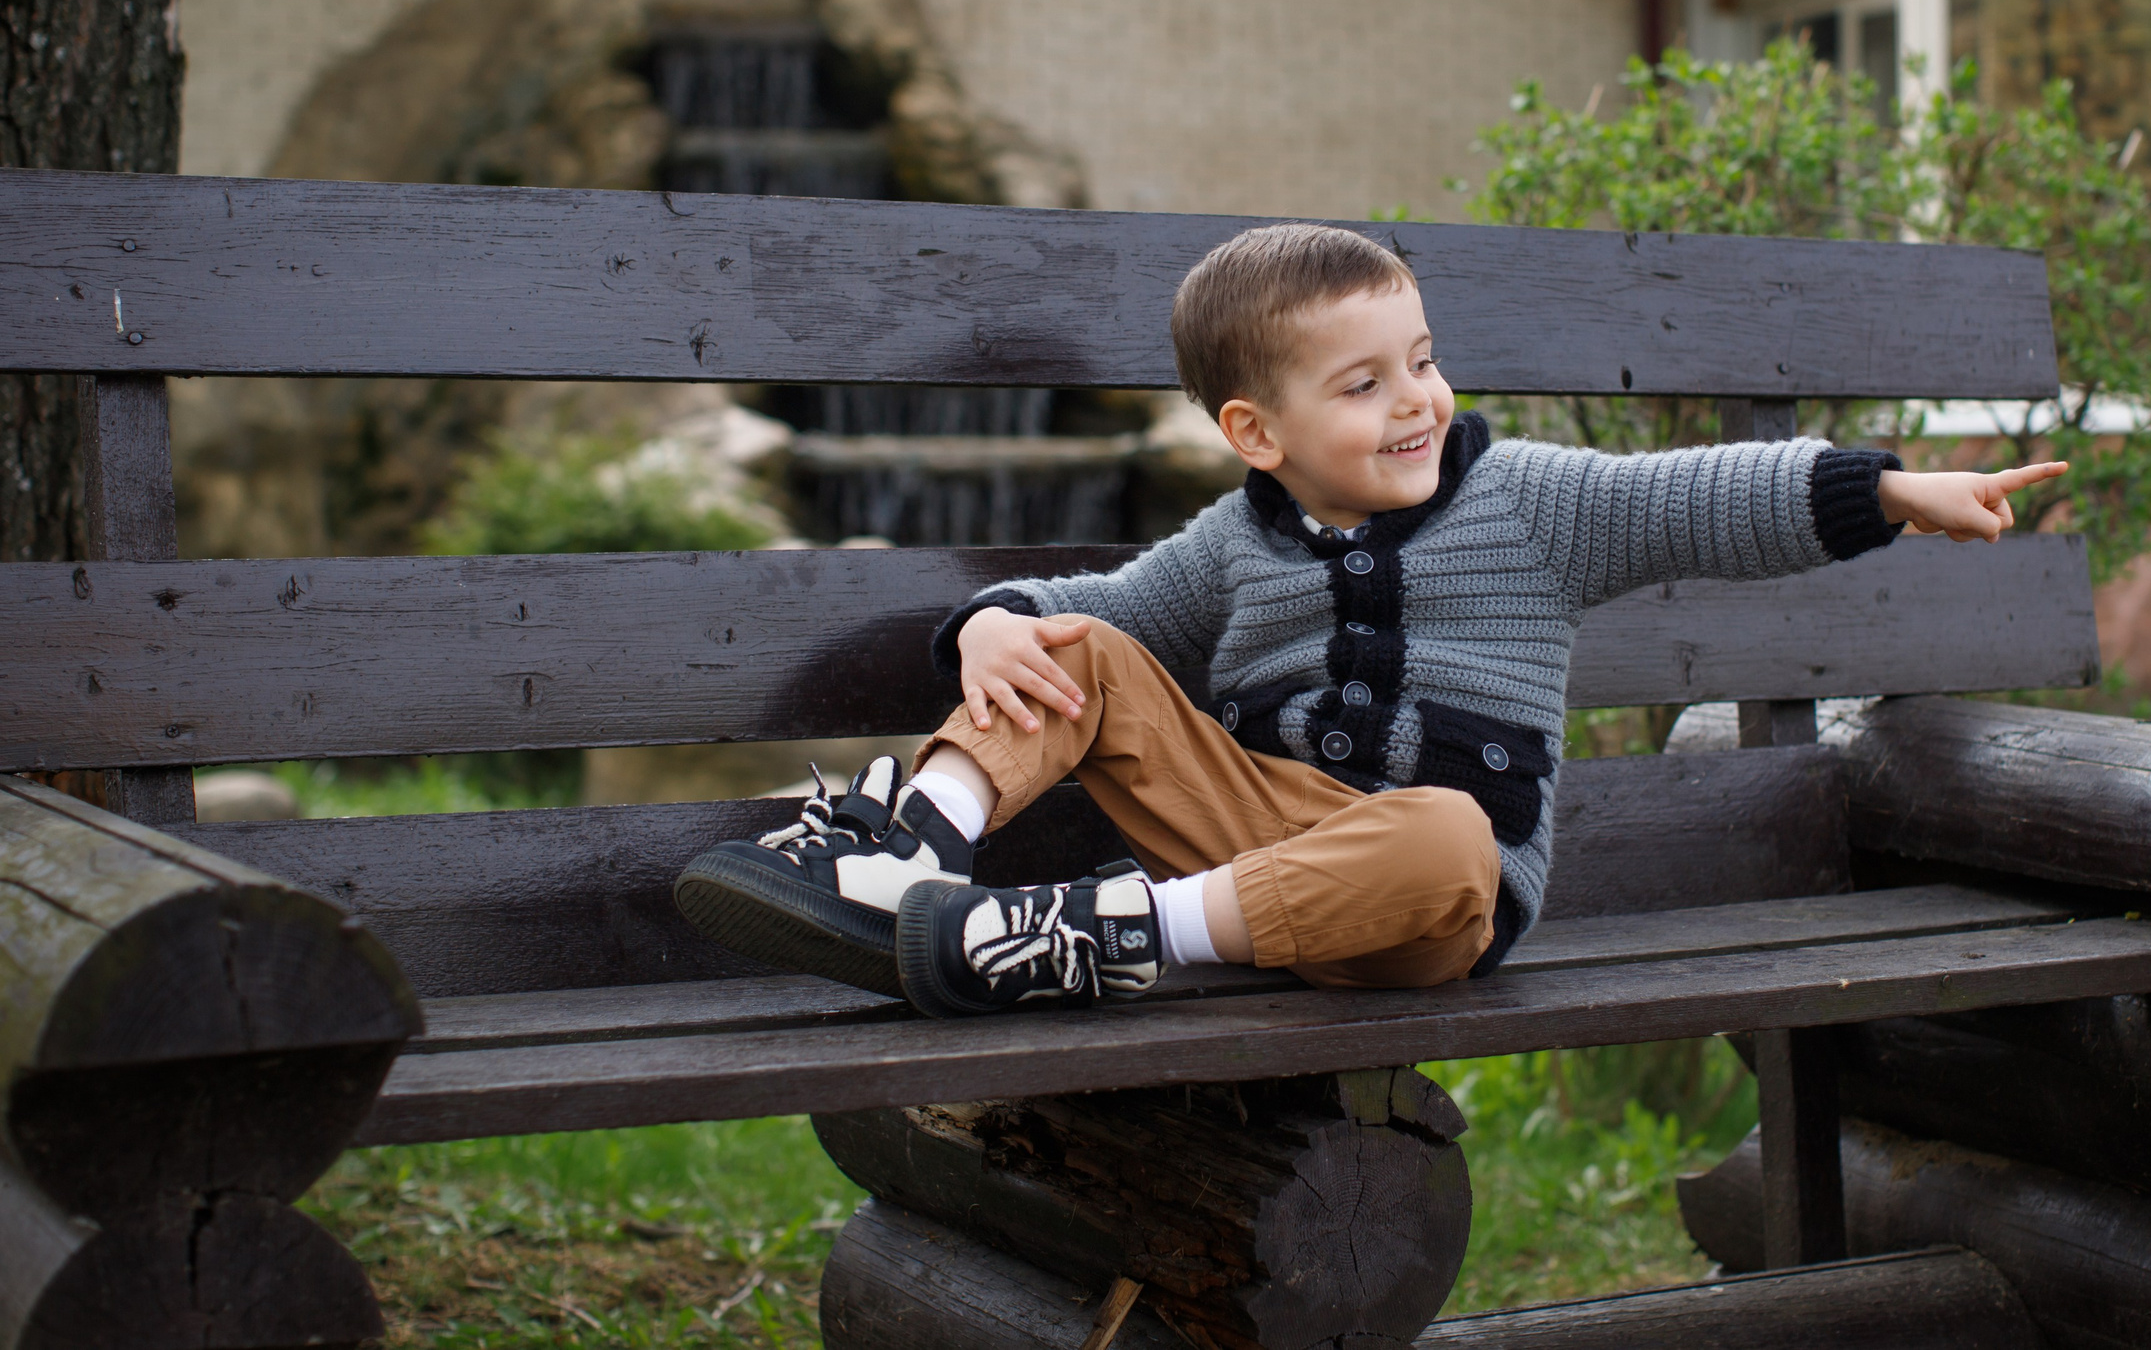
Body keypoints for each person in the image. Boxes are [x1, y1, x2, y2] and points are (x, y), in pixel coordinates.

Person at [674, 223, 2065, 1018]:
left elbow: (1697, 497)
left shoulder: (1529, 503)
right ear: (1254, 432)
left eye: (1421, 361)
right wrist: (991, 624)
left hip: (1422, 891)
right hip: (1256, 833)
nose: (1416, 400)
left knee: (1446, 831)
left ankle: (1074, 937)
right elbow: (1101, 621)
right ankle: (907, 860)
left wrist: (1889, 490)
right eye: (1362, 385)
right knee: (1077, 650)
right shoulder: (1238, 542)